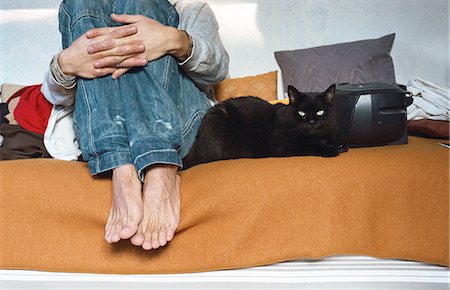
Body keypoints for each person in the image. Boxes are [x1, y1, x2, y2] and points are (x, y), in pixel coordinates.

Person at [41, 0, 229, 251]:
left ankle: (160, 167)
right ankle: (122, 167)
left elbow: (217, 71)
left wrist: (174, 40)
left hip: (179, 122)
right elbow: (58, 97)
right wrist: (65, 65)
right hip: (110, 127)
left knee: (142, 3)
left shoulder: (190, 8)